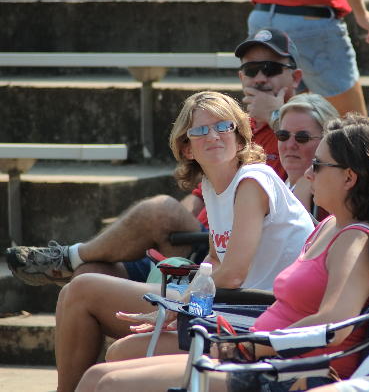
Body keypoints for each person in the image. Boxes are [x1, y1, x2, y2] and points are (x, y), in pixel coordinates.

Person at [75, 115, 369, 392]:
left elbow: (335, 325)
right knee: (96, 376)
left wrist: (249, 345)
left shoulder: (355, 241)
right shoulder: (330, 225)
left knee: (109, 383)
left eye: (318, 165)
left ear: (349, 177)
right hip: (257, 353)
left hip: (289, 371)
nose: (308, 173)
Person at [53, 91, 315, 392]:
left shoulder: (253, 180)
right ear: (187, 148)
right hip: (231, 307)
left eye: (224, 126)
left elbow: (233, 274)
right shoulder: (213, 186)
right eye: (200, 130)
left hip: (261, 317)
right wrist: (183, 296)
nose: (213, 135)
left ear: (240, 138)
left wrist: (178, 304)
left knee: (117, 348)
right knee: (80, 285)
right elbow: (215, 259)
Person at [6, 27, 303, 286]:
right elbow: (200, 199)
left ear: (296, 76)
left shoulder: (302, 127)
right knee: (88, 276)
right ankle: (77, 263)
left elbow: (303, 196)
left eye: (271, 69)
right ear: (241, 76)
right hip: (198, 245)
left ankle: (69, 256)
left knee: (160, 210)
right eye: (251, 70)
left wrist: (277, 118)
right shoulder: (223, 127)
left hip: (241, 257)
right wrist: (168, 234)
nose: (260, 78)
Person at [245, 0, 369, 117]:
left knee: (289, 120)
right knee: (352, 122)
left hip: (262, 19)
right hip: (311, 20)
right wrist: (361, 13)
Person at [276, 93, 340, 221]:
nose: (290, 145)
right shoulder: (281, 182)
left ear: (326, 141)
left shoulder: (329, 197)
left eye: (302, 137)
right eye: (283, 135)